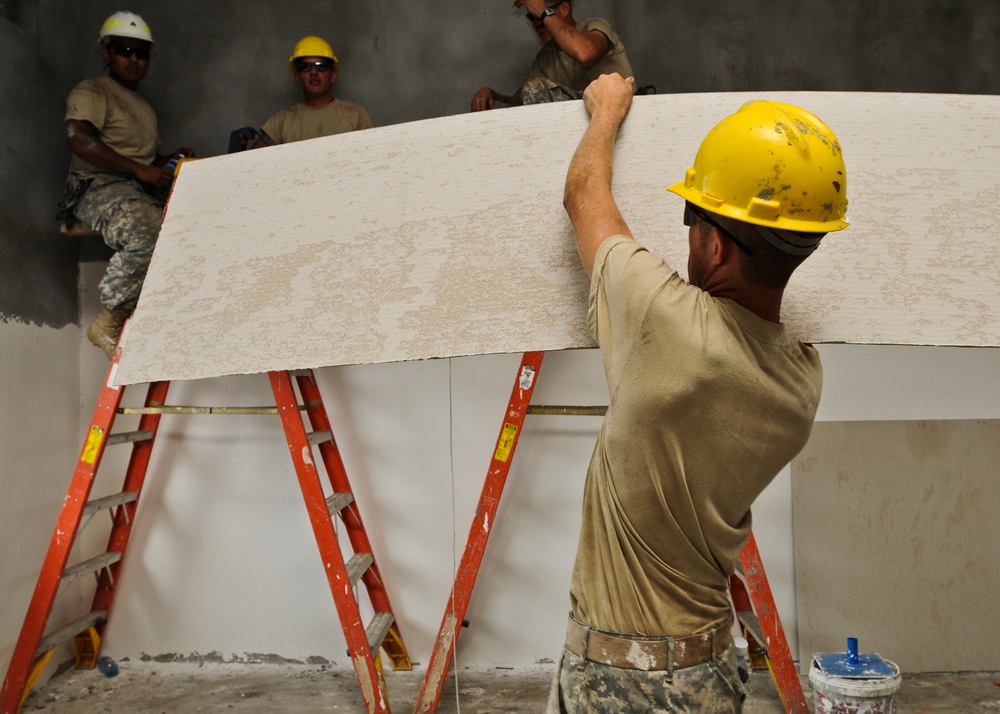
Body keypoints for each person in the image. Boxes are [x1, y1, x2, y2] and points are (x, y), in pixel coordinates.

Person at [549, 73, 850, 712]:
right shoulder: (802, 384)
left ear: (712, 242)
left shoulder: (670, 326)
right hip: (712, 668)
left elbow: (582, 195)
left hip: (621, 681)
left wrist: (606, 111)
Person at [61, 11, 195, 359]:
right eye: (124, 49)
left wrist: (165, 160)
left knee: (185, 235)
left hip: (133, 189)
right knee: (148, 234)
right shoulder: (94, 90)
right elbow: (79, 139)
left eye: (141, 52)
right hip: (97, 187)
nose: (133, 58)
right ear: (106, 52)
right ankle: (108, 321)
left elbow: (137, 160)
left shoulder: (143, 108)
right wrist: (141, 170)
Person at [471, 0, 634, 111]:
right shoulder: (546, 56)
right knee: (493, 109)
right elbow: (520, 102)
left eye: (540, 16)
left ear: (564, 9)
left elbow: (585, 54)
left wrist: (543, 11)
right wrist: (490, 95)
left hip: (614, 111)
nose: (536, 23)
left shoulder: (594, 27)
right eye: (532, 17)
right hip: (577, 127)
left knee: (535, 87)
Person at [251, 36, 373, 148]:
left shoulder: (355, 115)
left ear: (333, 76)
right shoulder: (283, 119)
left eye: (321, 66)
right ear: (298, 77)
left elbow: (374, 155)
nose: (313, 72)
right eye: (305, 67)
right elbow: (250, 160)